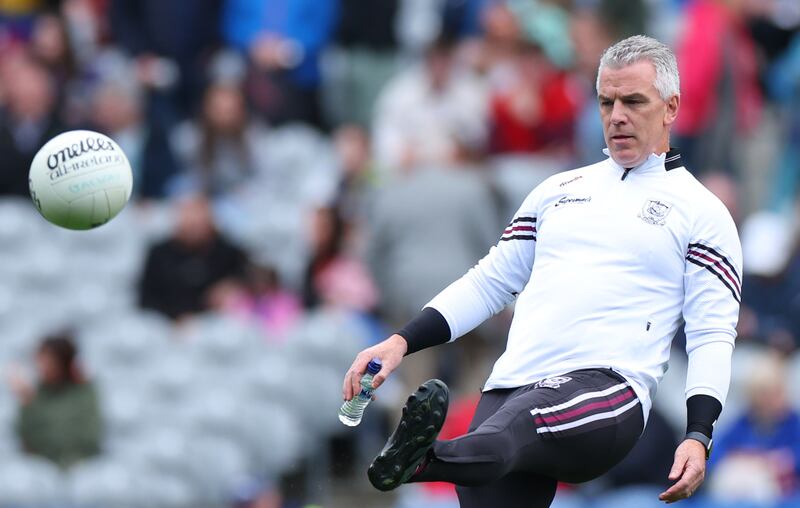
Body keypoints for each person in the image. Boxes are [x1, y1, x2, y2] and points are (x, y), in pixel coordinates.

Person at [342, 35, 742, 507]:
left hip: (608, 391)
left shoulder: (702, 211)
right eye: (607, 101)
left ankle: (420, 460)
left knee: (516, 427)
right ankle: (423, 459)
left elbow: (712, 333)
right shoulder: (558, 189)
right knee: (500, 441)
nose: (617, 115)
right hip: (514, 384)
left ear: (671, 107)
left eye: (634, 101)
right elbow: (491, 281)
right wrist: (401, 342)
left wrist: (699, 433)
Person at [9, 333, 102, 469]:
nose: (41, 367)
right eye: (40, 360)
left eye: (48, 361)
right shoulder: (35, 393)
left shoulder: (84, 391)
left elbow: (89, 437)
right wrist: (26, 403)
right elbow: (26, 439)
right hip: (43, 468)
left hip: (82, 466)